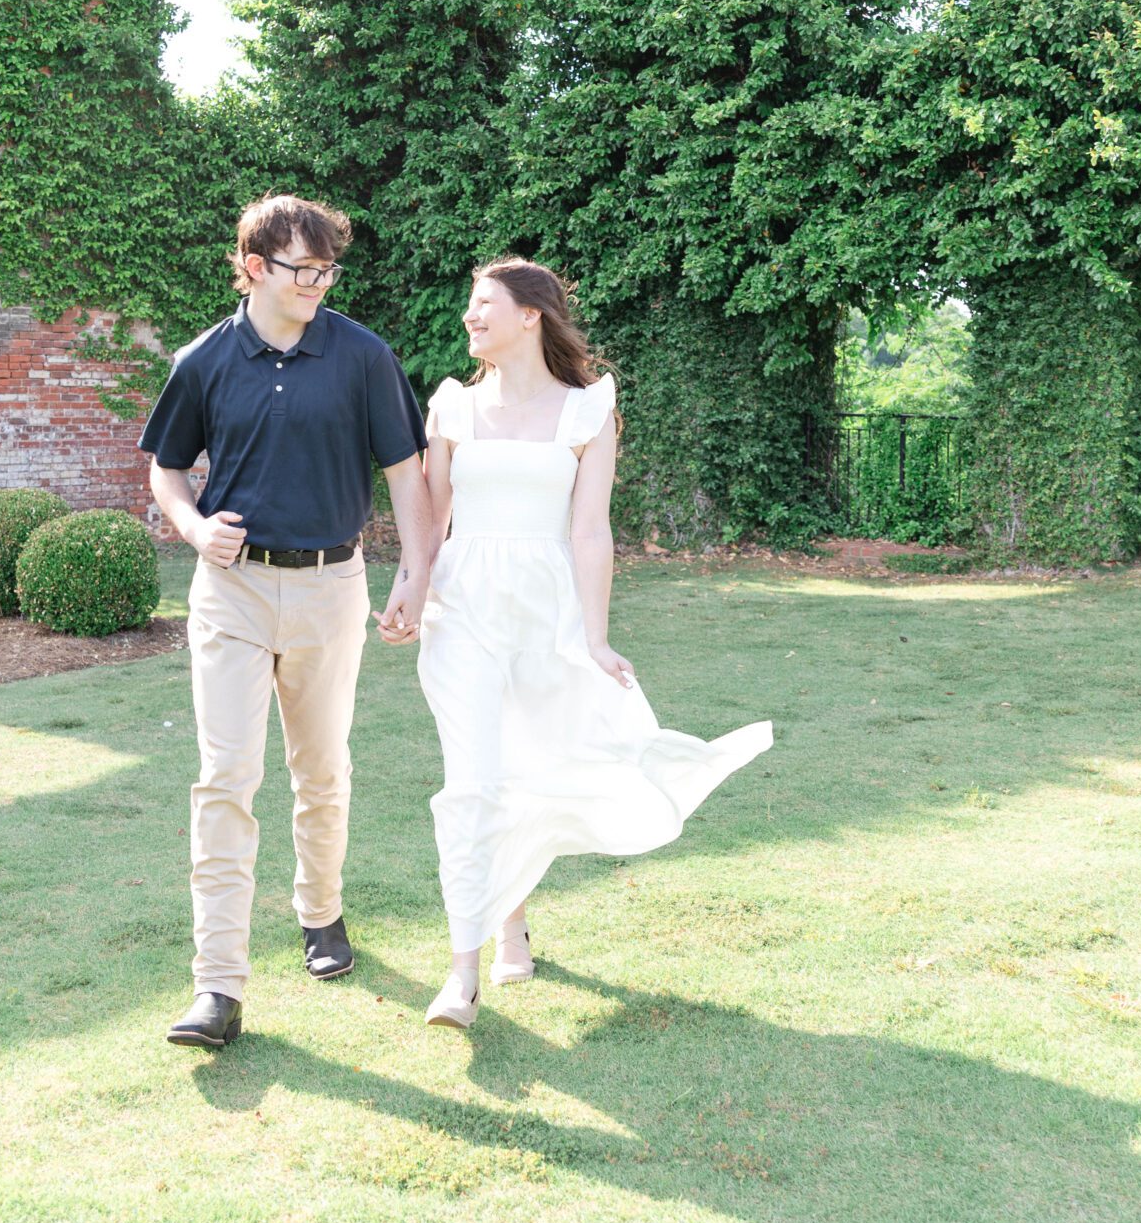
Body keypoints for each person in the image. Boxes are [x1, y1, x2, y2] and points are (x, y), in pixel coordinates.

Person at [401, 257, 772, 1029]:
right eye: (470, 306)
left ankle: (512, 920)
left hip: (547, 613)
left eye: (483, 304)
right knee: (470, 781)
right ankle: (461, 971)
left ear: (530, 314)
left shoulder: (586, 410)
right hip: (463, 609)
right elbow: (430, 523)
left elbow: (590, 529)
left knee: (529, 769)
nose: (469, 317)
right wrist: (410, 591)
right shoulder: (451, 408)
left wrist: (596, 640)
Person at [139, 194, 437, 1050]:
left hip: (330, 586)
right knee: (225, 777)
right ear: (254, 266)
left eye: (325, 269)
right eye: (301, 268)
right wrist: (195, 526)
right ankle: (218, 986)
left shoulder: (363, 357)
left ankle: (320, 913)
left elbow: (407, 474)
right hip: (228, 592)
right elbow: (166, 470)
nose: (316, 283)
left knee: (322, 769)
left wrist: (415, 572)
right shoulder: (203, 360)